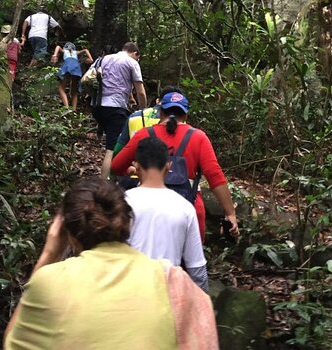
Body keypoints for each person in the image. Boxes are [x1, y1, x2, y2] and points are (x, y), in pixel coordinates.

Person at [4, 178, 218, 350]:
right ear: (126, 224)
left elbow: (12, 342)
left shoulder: (49, 281)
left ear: (66, 233)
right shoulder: (172, 279)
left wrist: (49, 254)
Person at [111, 90, 239, 240]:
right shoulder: (198, 137)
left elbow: (116, 165)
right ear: (185, 115)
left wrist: (131, 170)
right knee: (189, 262)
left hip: (149, 211)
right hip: (190, 208)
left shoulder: (144, 134)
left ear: (160, 113)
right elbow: (215, 176)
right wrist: (230, 213)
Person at [126, 137, 208, 292]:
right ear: (168, 166)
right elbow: (197, 269)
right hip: (169, 297)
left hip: (131, 294)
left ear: (136, 166)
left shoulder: (123, 202)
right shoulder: (185, 208)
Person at [92, 41, 147, 178]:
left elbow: (88, 78)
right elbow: (140, 92)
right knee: (113, 149)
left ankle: (114, 178)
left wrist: (128, 97)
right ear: (135, 53)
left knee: (112, 141)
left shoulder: (103, 59)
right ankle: (105, 185)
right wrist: (143, 111)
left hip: (97, 106)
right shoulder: (132, 62)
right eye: (137, 58)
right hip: (114, 108)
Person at [51, 42, 92, 111]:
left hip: (67, 65)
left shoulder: (65, 51)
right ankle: (74, 110)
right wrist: (91, 58)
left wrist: (55, 55)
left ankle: (67, 108)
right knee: (74, 91)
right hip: (76, 67)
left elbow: (58, 47)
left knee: (61, 89)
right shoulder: (75, 52)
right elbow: (85, 50)